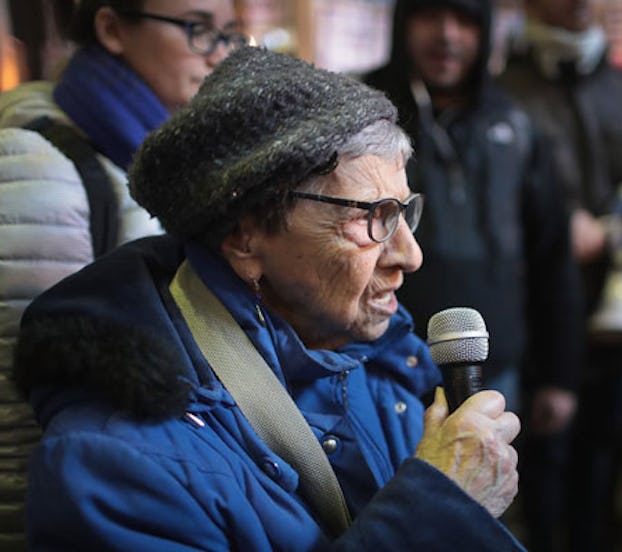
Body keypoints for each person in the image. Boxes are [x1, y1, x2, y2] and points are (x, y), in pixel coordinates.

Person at [12, 45, 524, 550]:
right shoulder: (112, 467)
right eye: (373, 218)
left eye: (403, 212)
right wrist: (438, 508)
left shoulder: (369, 357)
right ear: (245, 236)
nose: (409, 256)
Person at [0, 1, 241, 547]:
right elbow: (15, 401)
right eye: (197, 30)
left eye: (229, 33)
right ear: (111, 28)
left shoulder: (176, 160)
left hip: (153, 490)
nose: (220, 54)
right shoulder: (39, 165)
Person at [362, 1, 584, 542]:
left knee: (486, 520)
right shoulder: (362, 112)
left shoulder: (515, 124)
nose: (447, 35)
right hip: (375, 366)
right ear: (401, 24)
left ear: (485, 33)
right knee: (390, 518)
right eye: (429, 16)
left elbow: (554, 255)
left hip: (493, 369)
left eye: (464, 20)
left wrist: (560, 374)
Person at [498, 0, 622, 549]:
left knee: (608, 449)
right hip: (544, 317)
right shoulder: (507, 95)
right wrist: (557, 227)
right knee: (542, 458)